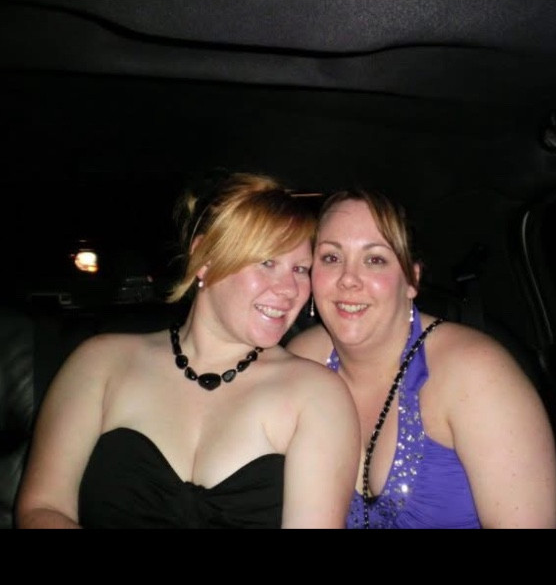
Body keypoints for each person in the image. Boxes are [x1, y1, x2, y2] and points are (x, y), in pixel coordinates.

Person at [15, 172, 360, 529]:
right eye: (267, 262)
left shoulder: (317, 394)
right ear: (205, 258)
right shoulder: (100, 363)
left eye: (301, 269)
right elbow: (42, 508)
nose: (289, 288)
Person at [287, 188, 556, 529]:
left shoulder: (477, 374)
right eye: (331, 258)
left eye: (375, 259)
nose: (348, 280)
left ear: (412, 279)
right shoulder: (302, 361)